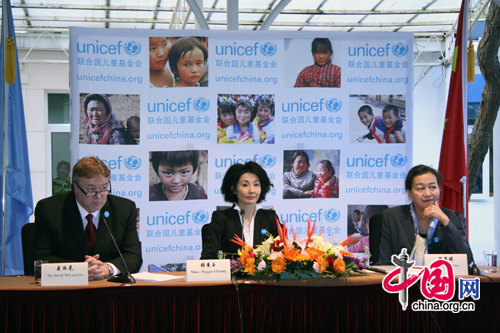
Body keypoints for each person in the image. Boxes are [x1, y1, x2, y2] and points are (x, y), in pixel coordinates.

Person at [32, 156, 142, 280]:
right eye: (91, 190)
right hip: (65, 288)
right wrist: (81, 270)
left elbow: (133, 255)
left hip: (108, 288)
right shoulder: (50, 210)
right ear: (74, 187)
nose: (99, 196)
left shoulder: (124, 209)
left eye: (104, 188)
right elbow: (40, 258)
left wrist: (108, 268)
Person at [377, 165, 471, 265]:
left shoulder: (453, 218)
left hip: (439, 278)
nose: (427, 193)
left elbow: (466, 261)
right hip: (402, 278)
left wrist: (445, 222)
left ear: (439, 190)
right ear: (409, 194)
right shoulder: (392, 216)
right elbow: (384, 262)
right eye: (420, 188)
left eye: (433, 187)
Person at [200, 161, 280, 259]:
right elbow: (208, 256)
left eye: (256, 184)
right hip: (231, 274)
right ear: (233, 189)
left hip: (263, 274)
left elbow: (282, 252)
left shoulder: (270, 217)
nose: (252, 190)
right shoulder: (221, 218)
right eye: (245, 185)